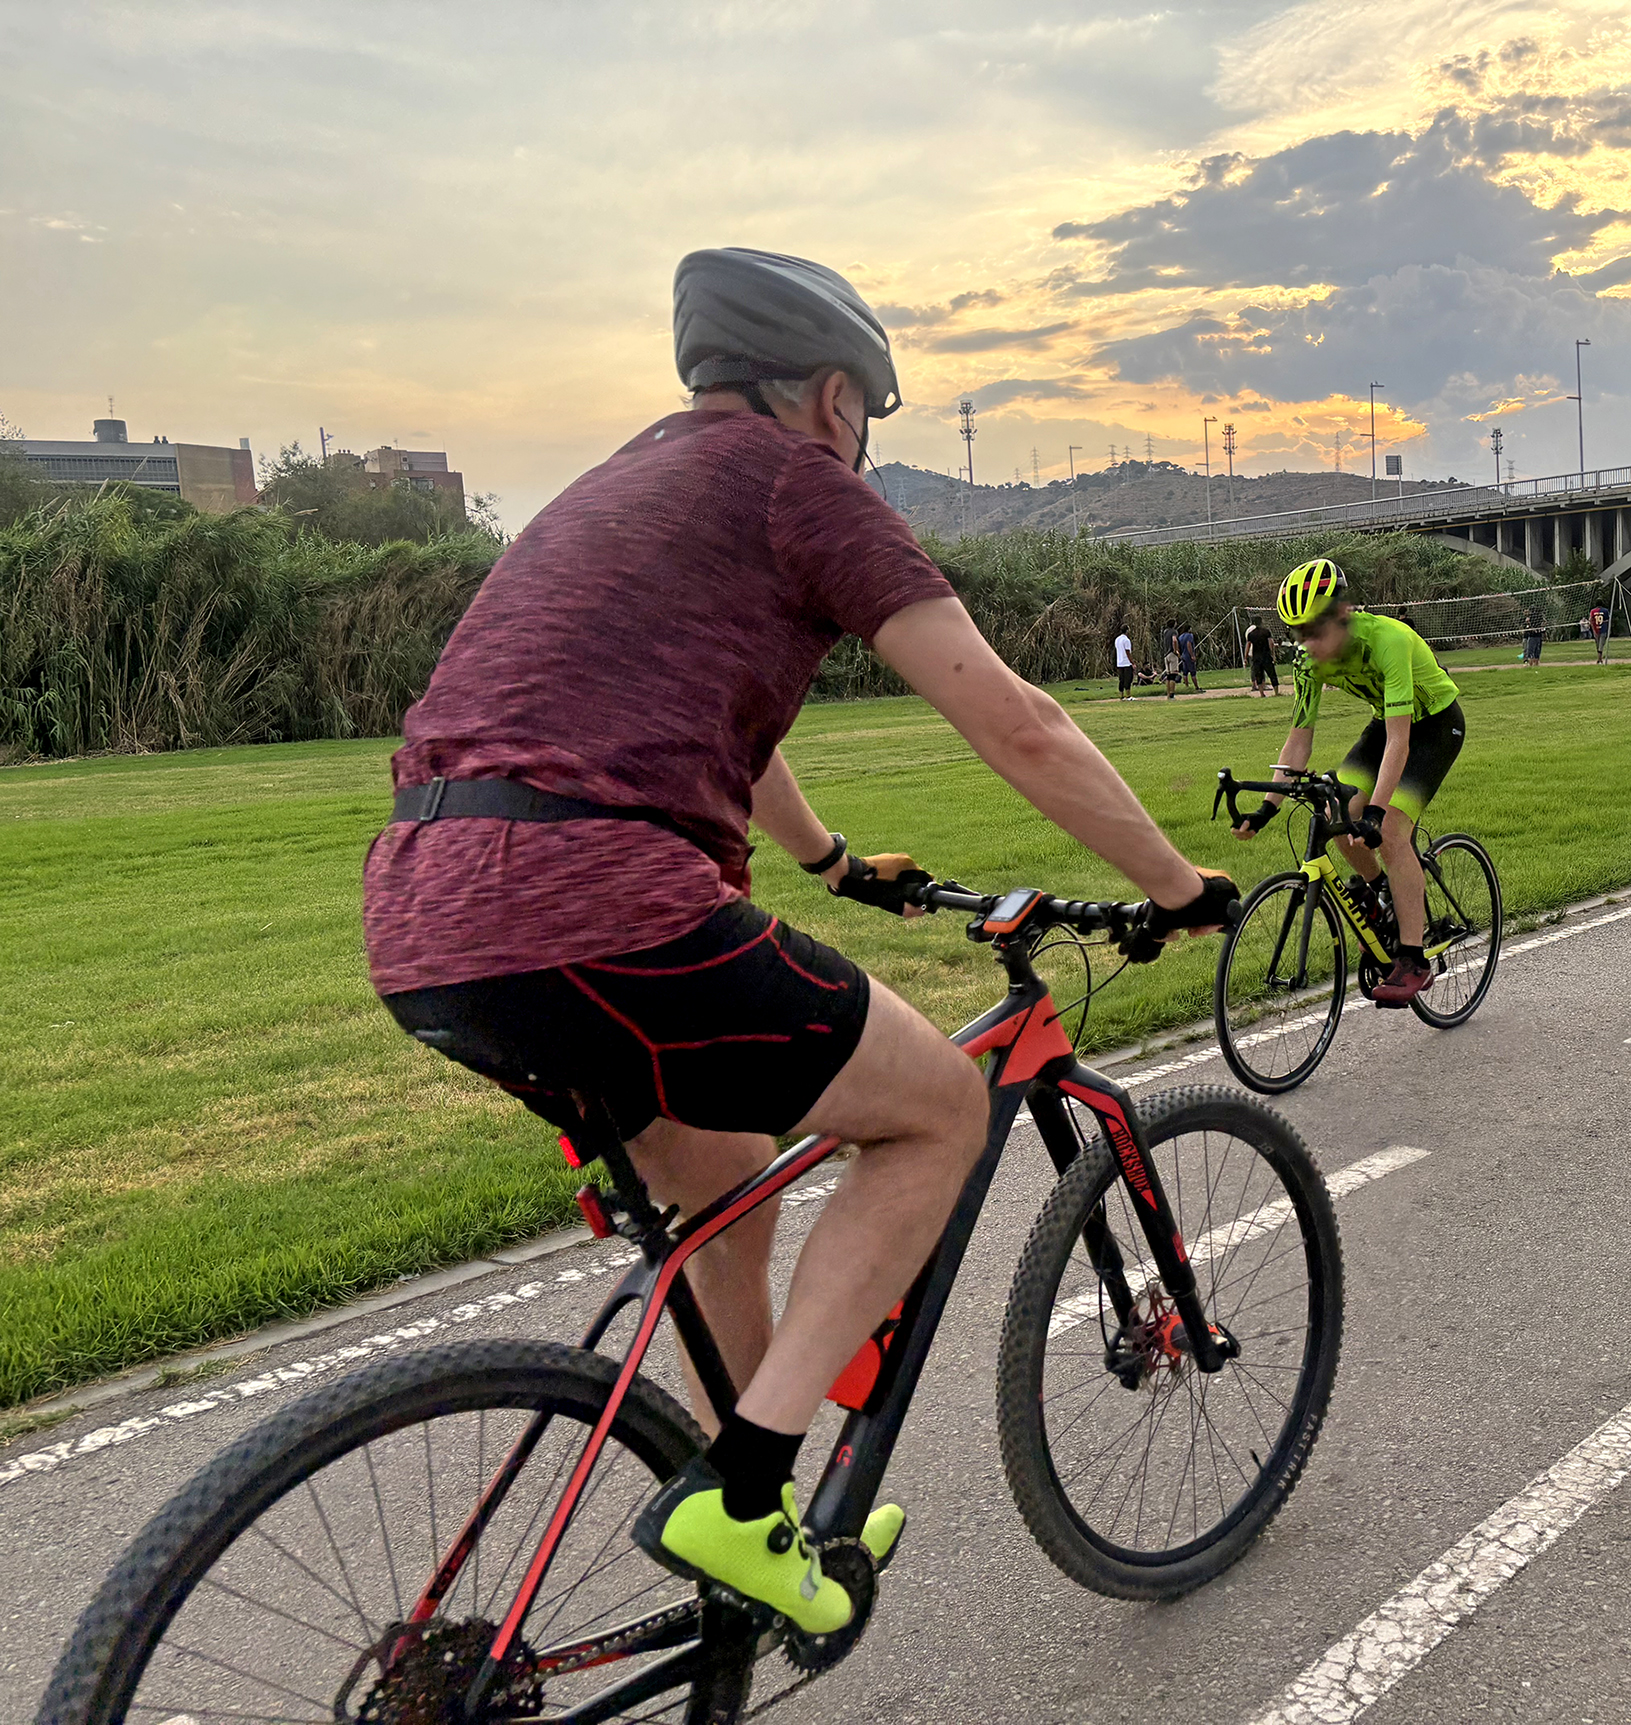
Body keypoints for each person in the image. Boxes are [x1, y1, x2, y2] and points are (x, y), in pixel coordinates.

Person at [361, 247, 1237, 1636]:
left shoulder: (626, 483)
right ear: (836, 396)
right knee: (939, 1111)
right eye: (868, 416)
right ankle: (745, 1494)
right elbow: (1017, 722)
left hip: (423, 907)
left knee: (726, 1183)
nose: (862, 440)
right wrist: (1178, 885)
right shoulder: (799, 484)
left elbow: (718, 718)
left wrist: (828, 860)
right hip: (596, 903)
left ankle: (751, 1532)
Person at [1231, 558, 1465, 1005]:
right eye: (1299, 633)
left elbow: (1400, 742)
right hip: (1386, 725)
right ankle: (1383, 896)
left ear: (1343, 613)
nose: (1308, 643)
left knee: (1391, 831)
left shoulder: (1389, 640)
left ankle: (1413, 959)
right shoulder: (1308, 661)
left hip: (1434, 726)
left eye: (1316, 630)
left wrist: (1375, 814)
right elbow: (1298, 740)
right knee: (1334, 813)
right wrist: (1266, 808)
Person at [1246, 618, 1277, 695]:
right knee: (1272, 674)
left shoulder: (1251, 634)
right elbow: (1271, 643)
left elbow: (1248, 645)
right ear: (1261, 622)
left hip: (1256, 656)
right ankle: (1276, 692)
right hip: (1266, 655)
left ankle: (1261, 693)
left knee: (1258, 674)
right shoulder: (1266, 632)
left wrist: (1245, 657)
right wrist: (1273, 654)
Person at [1176, 622, 1201, 691]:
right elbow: (1188, 644)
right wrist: (1192, 655)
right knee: (1193, 672)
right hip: (1188, 656)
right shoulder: (1190, 635)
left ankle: (1187, 686)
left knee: (1185, 672)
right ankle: (1196, 687)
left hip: (1183, 655)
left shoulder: (1180, 636)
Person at [1114, 626, 1135, 699]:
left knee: (1121, 679)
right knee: (1128, 679)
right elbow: (1127, 652)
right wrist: (1132, 662)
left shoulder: (1117, 639)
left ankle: (1121, 695)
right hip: (1126, 662)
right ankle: (1128, 695)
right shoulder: (1126, 640)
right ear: (1127, 631)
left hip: (1119, 662)